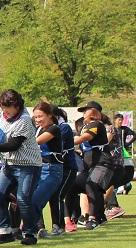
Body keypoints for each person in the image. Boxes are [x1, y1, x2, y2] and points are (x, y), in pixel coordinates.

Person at [0, 89, 43, 245]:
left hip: (28, 165)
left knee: (23, 198)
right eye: (2, 107)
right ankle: (4, 231)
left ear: (16, 105)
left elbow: (14, 145)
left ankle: (30, 233)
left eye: (7, 108)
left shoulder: (24, 120)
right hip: (9, 165)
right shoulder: (1, 112)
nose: (4, 111)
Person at [73, 101, 112, 229]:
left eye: (86, 110)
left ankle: (93, 218)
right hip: (89, 166)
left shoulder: (96, 124)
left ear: (95, 112)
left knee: (91, 185)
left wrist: (65, 140)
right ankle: (71, 220)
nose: (84, 114)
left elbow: (84, 138)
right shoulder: (86, 125)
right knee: (72, 186)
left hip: (101, 163)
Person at [31, 102, 65, 237]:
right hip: (39, 168)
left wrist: (14, 145)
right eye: (35, 117)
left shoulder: (54, 128)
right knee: (31, 200)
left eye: (40, 116)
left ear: (50, 115)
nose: (38, 120)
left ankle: (30, 229)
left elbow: (36, 142)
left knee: (36, 200)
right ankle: (38, 229)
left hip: (52, 170)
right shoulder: (38, 129)